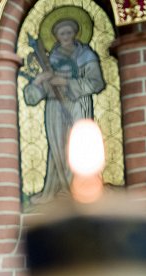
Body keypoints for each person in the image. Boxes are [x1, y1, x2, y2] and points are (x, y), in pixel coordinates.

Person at [23, 17, 104, 202]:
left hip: (78, 105)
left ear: (75, 33)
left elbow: (96, 83)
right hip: (55, 107)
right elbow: (35, 95)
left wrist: (66, 82)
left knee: (79, 144)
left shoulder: (86, 55)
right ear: (56, 37)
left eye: (69, 32)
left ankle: (84, 189)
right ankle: (60, 188)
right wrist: (39, 81)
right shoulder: (50, 59)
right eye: (62, 33)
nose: (66, 36)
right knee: (58, 147)